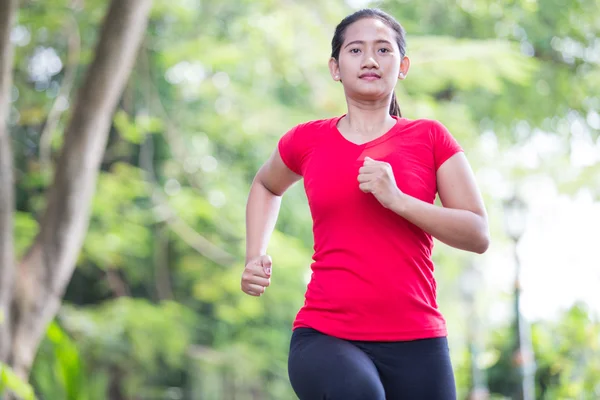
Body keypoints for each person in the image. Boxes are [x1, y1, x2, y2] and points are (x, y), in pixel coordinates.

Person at [241, 7, 490, 400]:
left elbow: (478, 234)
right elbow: (266, 185)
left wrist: (399, 200)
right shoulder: (306, 141)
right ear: (335, 67)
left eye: (383, 50)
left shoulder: (430, 138)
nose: (370, 60)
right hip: (326, 335)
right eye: (355, 50)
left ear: (402, 65)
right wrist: (255, 253)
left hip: (418, 339)